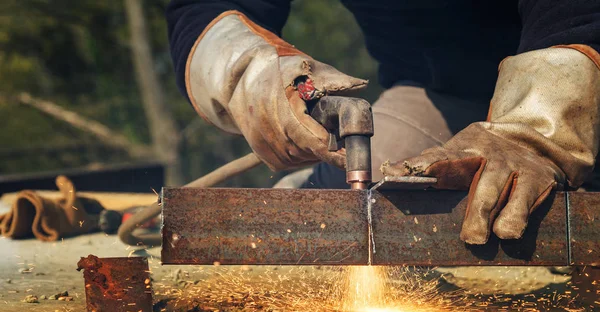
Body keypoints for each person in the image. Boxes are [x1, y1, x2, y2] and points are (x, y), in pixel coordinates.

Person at [166, 1, 600, 245]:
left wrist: (537, 126)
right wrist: (252, 74)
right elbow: (204, 7)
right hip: (444, 94)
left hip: (577, 71)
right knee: (323, 232)